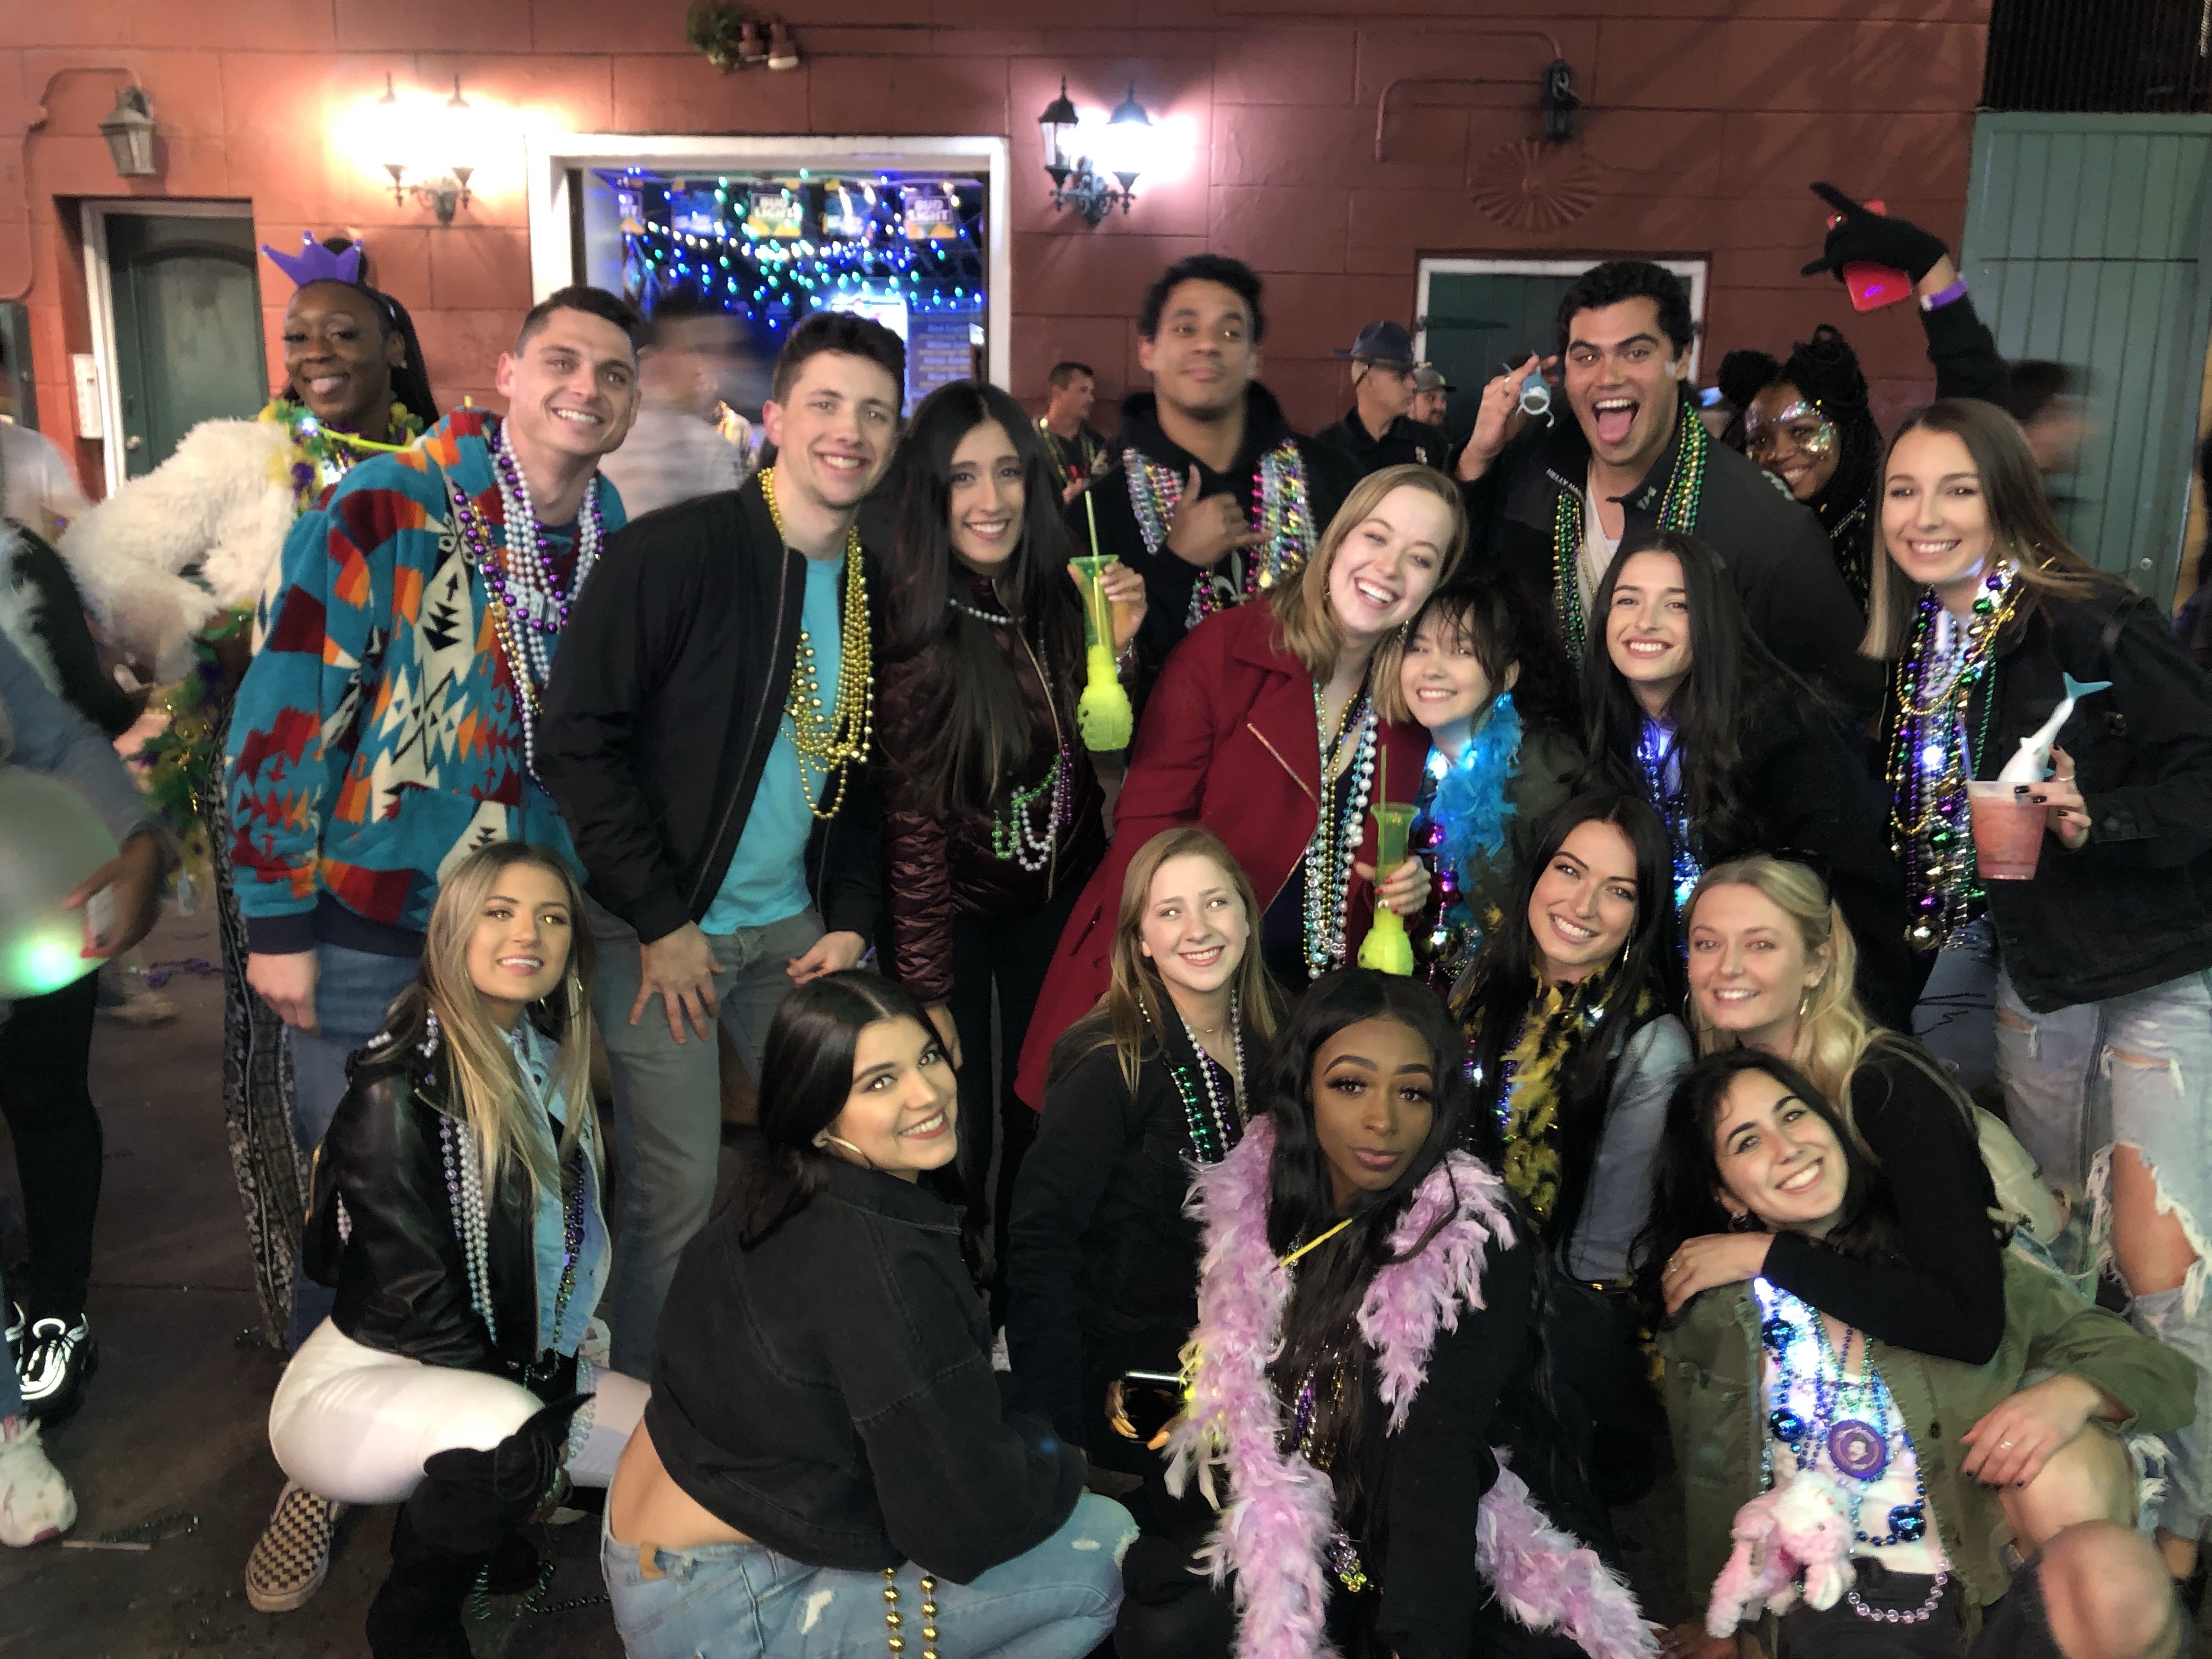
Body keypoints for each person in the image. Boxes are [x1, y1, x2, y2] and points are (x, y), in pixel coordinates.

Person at [225, 282, 638, 1606]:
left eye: (613, 373)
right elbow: (284, 708)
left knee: (510, 1197)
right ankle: (319, 1466)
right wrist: (279, 921)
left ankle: (481, 1444)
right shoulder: (393, 505)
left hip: (524, 942)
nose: (586, 389)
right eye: (561, 360)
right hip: (374, 926)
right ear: (507, 372)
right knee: (355, 1203)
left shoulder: (612, 541)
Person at [60, 238, 440, 1410]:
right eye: (298, 335)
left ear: (392, 344)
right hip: (275, 780)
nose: (316, 353)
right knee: (282, 1040)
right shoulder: (242, 455)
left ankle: (421, 1298)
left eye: (342, 332)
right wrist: (208, 634)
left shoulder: (436, 460)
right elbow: (97, 554)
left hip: (401, 789)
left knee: (413, 1048)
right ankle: (300, 1295)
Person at [1871, 396, 2212, 1598]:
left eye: (1956, 489)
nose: (1925, 515)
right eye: (1904, 490)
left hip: (2151, 971)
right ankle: (2096, 1499)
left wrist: (2095, 816)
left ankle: (2184, 1536)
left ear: (2007, 499)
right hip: (2034, 978)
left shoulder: (2086, 620)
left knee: (2161, 1262)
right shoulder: (1924, 644)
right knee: (2064, 1242)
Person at [537, 311, 902, 1378]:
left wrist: (851, 919)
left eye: (875, 413)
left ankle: (784, 1369)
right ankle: (641, 1413)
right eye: (826, 404)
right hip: (661, 926)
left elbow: (867, 776)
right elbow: (576, 743)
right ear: (774, 418)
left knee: (845, 1149)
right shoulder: (676, 553)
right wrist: (661, 920)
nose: (849, 431)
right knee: (679, 1185)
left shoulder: (874, 584)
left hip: (789, 927)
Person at [599, 970, 1134, 1659]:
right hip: (725, 1607)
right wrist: (1063, 1459)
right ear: (822, 1114)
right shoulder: (878, 1262)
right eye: (880, 1082)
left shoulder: (780, 1183)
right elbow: (960, 1526)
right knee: (1106, 1550)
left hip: (658, 1546)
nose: (927, 1093)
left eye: (928, 1057)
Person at [1121, 968, 1648, 1659]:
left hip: (1443, 1530)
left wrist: (1418, 1642)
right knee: (1161, 1622)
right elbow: (1238, 1374)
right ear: (1304, 1088)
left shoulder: (1467, 1239)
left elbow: (1437, 1449)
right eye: (1350, 1085)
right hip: (1302, 1515)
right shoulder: (1253, 1202)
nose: (1383, 1121)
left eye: (1412, 1092)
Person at [1646, 1048, 2193, 1659]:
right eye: (1747, 1141)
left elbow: (2163, 1374)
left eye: (1794, 1114)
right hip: (1842, 1601)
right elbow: (1710, 1480)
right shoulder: (1720, 1318)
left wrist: (2070, 1395)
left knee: (2115, 1578)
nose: (1787, 1147)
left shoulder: (1951, 1274)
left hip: (1986, 1580)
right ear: (1727, 1196)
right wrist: (1720, 1622)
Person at [265, 842, 648, 1657]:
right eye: (500, 912)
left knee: (678, 1450)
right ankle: (412, 1619)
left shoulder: (542, 1058)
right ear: (453, 930)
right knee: (508, 1438)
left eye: (552, 917)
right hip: (366, 1378)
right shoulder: (398, 1088)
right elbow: (426, 1309)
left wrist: (561, 1380)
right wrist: (541, 1432)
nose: (529, 934)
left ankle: (480, 1515)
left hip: (485, 1375)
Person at [1014, 465, 1452, 1105]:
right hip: (1168, 996)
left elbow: (1362, 877)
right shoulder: (1224, 650)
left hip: (1309, 1028)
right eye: (1376, 537)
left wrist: (1402, 889)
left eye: (1420, 558)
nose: (1389, 569)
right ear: (1337, 540)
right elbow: (1144, 846)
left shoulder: (1411, 713)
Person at [876, 380, 1141, 1290]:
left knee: (1051, 1100)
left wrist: (1119, 646)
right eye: (961, 478)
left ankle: (1030, 1281)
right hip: (957, 911)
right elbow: (912, 830)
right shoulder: (919, 628)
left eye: (1006, 473)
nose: (988, 500)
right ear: (929, 491)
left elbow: (1106, 745)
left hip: (1061, 893)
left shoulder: (1059, 596)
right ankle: (957, 1289)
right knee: (965, 1117)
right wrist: (928, 991)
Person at [1455, 259, 1878, 715]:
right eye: (1587, 357)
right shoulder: (1536, 464)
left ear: (1682, 360)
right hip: (1538, 751)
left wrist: (1722, 741)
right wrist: (1478, 460)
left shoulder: (1766, 526)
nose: (1608, 376)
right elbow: (1460, 588)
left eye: (1636, 353)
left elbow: (1850, 695)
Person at [1004, 827, 1284, 1516]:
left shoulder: (1281, 1036)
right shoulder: (1107, 1063)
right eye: (1170, 912)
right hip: (1135, 1366)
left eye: (1216, 903)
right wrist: (1056, 1433)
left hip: (1258, 1349)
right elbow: (1040, 1246)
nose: (1198, 929)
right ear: (1141, 942)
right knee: (1199, 1506)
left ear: (1248, 917)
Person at [1669, 855, 2008, 1364]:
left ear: (1816, 965)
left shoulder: (1890, 1087)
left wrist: (1765, 1255)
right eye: (1707, 944)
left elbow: (1971, 1324)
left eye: (1760, 945)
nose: (1728, 967)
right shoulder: (1715, 1084)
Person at [1582, 529, 1914, 1025]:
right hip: (1679, 998)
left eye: (1677, 605)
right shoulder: (1606, 732)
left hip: (1798, 1006)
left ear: (1710, 622)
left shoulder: (1782, 731)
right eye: (1628, 600)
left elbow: (1855, 901)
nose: (1645, 622)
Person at [0, 628, 168, 1545]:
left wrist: (140, 838)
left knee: (47, 1102)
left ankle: (48, 1328)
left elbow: (59, 735)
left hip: (29, 898)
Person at [1718, 185, 2010, 612]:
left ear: (1845, 430)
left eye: (1801, 431)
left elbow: (1976, 402)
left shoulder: (1892, 524)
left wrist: (1929, 266)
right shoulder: (1741, 538)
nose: (1777, 454)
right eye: (1759, 440)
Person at [1064, 254, 1361, 666]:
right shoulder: (1096, 515)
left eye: (1230, 333)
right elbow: (1091, 672)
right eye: (1186, 329)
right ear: (1148, 350)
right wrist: (1176, 562)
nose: (1207, 345)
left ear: (1254, 358)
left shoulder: (1333, 478)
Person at [1459, 791, 1690, 1285]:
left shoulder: (1653, 1050)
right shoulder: (1484, 979)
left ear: (1641, 917)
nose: (1583, 906)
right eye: (1568, 870)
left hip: (1553, 1300)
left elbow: (1600, 1263)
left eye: (1619, 891)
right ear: (1537, 872)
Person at [1386, 569, 1582, 996]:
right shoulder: (1400, 758)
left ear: (1508, 675)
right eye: (1419, 648)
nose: (1432, 669)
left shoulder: (1545, 773)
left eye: (1461, 651)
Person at [597, 292, 755, 517]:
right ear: (658, 355)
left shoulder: (715, 447)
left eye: (722, 352)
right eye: (699, 349)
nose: (709, 366)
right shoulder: (611, 439)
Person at [1315, 321, 1451, 476]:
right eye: (1401, 376)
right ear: (1368, 379)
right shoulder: (1328, 449)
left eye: (1412, 375)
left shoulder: (1429, 442)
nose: (1413, 385)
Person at [1037, 358, 1112, 501]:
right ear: (1057, 393)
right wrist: (1060, 501)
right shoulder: (1030, 440)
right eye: (1083, 391)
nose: (1091, 399)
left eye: (1091, 392)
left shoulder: (1098, 444)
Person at [1410, 362, 1452, 431]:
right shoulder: (1394, 435)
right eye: (1430, 399)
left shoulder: (1443, 436)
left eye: (1443, 399)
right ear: (1409, 400)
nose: (1440, 407)